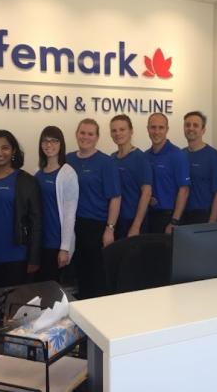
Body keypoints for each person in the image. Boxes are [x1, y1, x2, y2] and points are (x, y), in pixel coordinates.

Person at [0, 129, 42, 288]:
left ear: (13, 151)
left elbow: (37, 222)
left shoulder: (26, 181)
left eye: (5, 148)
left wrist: (34, 258)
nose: (0, 152)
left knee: (15, 302)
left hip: (16, 257)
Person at [67, 119, 121, 299]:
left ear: (97, 137)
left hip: (96, 226)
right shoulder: (68, 160)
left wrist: (110, 229)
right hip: (73, 226)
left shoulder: (106, 162)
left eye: (90, 134)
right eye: (82, 133)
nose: (85, 137)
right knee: (80, 274)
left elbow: (115, 198)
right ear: (76, 134)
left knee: (97, 276)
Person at [35, 126, 79, 283]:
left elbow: (69, 214)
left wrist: (65, 248)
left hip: (55, 242)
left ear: (61, 145)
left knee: (51, 288)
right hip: (39, 241)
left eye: (54, 141)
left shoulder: (68, 173)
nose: (49, 145)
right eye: (45, 141)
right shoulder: (37, 172)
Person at [145, 112, 190, 234]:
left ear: (167, 129)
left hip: (168, 217)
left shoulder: (177, 155)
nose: (156, 132)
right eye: (153, 127)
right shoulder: (145, 156)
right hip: (148, 215)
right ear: (147, 129)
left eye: (161, 127)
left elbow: (184, 190)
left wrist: (174, 221)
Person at [109, 114, 152, 239]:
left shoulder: (140, 158)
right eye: (114, 130)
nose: (118, 133)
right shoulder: (111, 158)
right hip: (115, 221)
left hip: (133, 221)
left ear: (131, 131)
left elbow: (146, 193)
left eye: (122, 129)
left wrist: (136, 226)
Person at [182, 111, 217, 224]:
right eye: (187, 125)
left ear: (203, 130)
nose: (191, 128)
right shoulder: (180, 155)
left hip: (204, 216)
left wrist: (212, 221)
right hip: (182, 215)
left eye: (195, 125)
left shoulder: (213, 156)